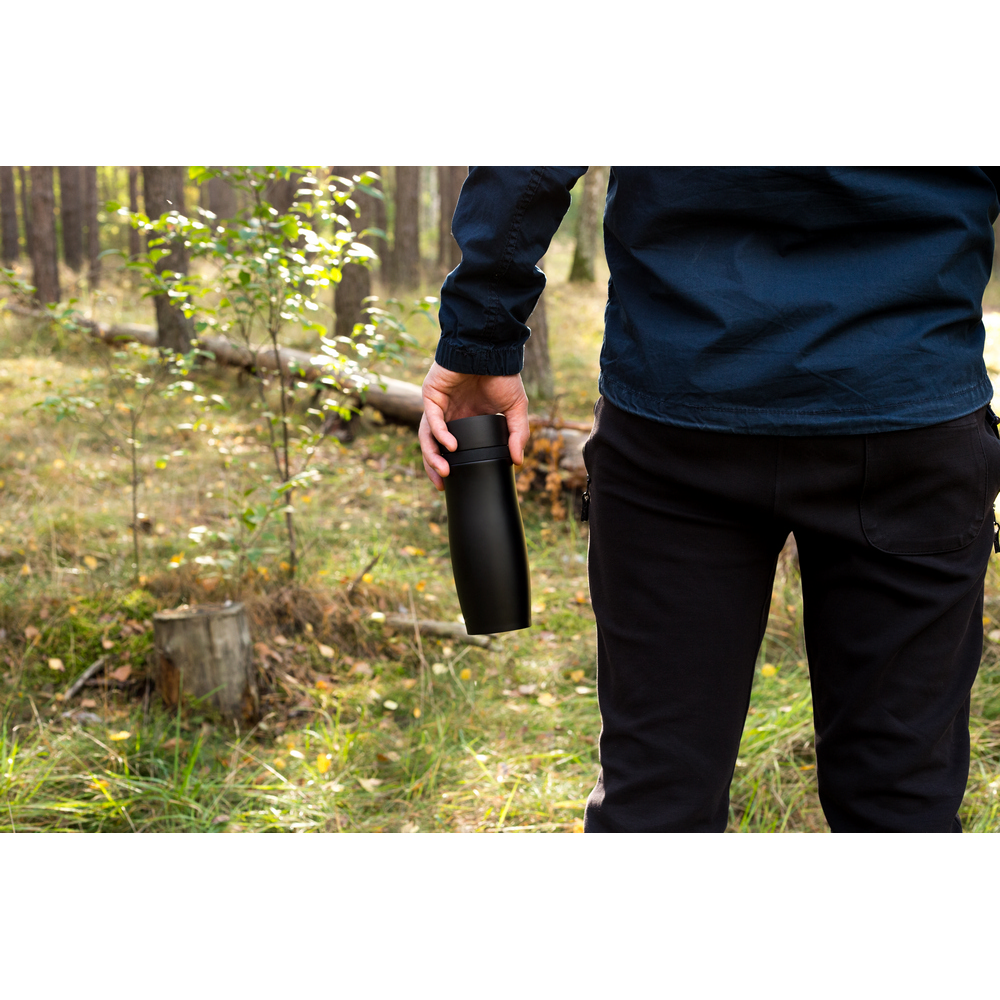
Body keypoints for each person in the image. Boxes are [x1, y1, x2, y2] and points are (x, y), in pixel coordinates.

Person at [419, 167, 1000, 832]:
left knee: (657, 797)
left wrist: (480, 335)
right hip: (906, 401)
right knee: (902, 802)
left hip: (680, 406)